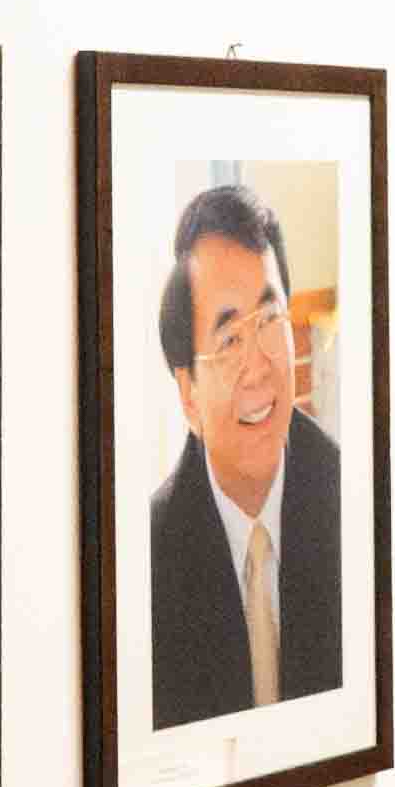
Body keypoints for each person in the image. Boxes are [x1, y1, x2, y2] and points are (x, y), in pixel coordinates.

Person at [139, 180, 344, 723]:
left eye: (271, 319)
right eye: (229, 340)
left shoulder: (352, 497)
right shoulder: (147, 556)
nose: (260, 366)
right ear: (187, 396)